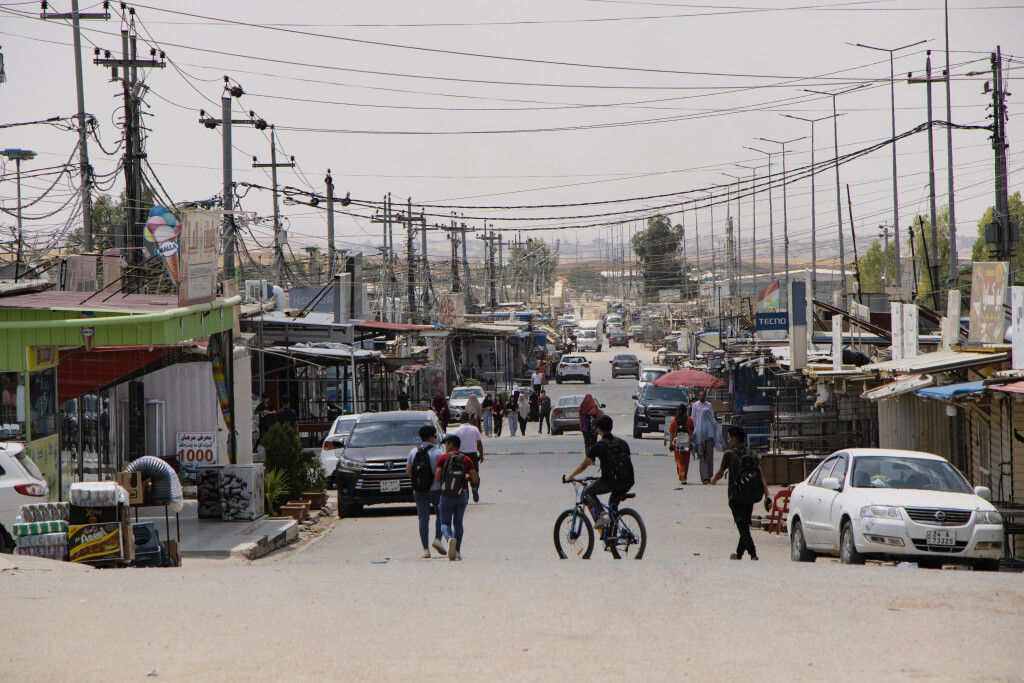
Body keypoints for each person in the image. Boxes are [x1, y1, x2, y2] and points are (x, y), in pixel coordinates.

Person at [710, 426, 771, 561]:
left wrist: (713, 480)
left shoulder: (729, 454)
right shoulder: (752, 454)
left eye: (728, 438)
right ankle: (738, 555)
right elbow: (761, 476)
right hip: (750, 496)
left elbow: (720, 473)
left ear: (734, 439)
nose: (728, 441)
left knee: (743, 528)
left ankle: (753, 555)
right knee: (744, 526)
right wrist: (767, 495)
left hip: (735, 497)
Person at [564, 415, 634, 529]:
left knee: (587, 491)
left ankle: (602, 514)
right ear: (611, 427)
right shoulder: (623, 443)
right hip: (628, 480)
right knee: (613, 506)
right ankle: (612, 535)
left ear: (599, 429)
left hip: (610, 481)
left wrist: (570, 476)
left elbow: (583, 465)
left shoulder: (599, 446)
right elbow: (628, 462)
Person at [435, 434, 479, 561]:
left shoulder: (443, 458)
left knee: (445, 523)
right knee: (458, 523)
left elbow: (437, 478)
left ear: (452, 444)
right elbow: (475, 478)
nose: (445, 446)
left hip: (445, 495)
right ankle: (458, 551)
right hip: (461, 494)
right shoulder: (466, 459)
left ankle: (449, 539)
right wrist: (465, 477)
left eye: (447, 444)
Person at [405, 424, 446, 558]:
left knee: (423, 518)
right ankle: (438, 539)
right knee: (440, 514)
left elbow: (408, 472)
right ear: (432, 437)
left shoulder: (413, 452)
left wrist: (420, 481)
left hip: (419, 490)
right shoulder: (438, 453)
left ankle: (425, 549)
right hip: (436, 489)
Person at [451, 413, 484, 502]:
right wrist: (481, 454)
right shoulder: (475, 429)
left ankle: (466, 495)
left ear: (460, 420)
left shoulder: (456, 431)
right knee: (474, 473)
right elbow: (479, 444)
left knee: (462, 475)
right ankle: (475, 487)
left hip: (460, 456)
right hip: (472, 455)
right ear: (469, 420)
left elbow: (453, 445)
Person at [691, 390, 719, 484]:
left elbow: (711, 418)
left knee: (709, 455)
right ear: (699, 396)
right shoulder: (695, 406)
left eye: (703, 395)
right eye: (701, 395)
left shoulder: (709, 405)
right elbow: (693, 418)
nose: (702, 396)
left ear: (705, 396)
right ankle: (704, 477)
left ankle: (710, 476)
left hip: (708, 433)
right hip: (699, 434)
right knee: (701, 455)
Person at [668, 404, 694, 486]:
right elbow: (692, 431)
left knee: (679, 460)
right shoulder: (689, 419)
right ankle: (684, 476)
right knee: (686, 461)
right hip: (687, 444)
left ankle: (682, 475)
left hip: (677, 444)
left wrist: (671, 444)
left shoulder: (674, 420)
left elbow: (671, 433)